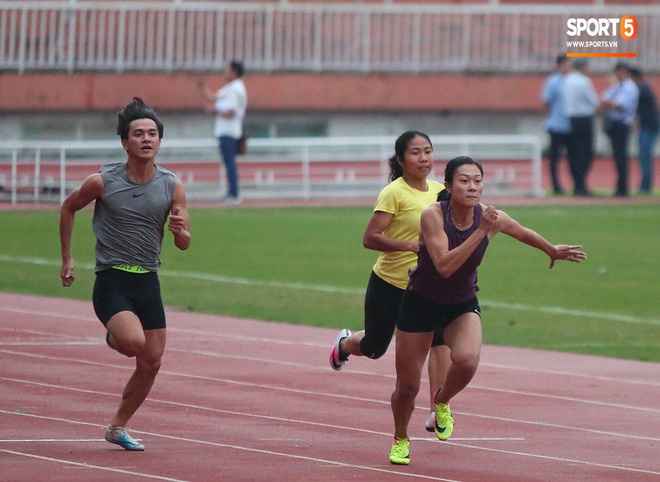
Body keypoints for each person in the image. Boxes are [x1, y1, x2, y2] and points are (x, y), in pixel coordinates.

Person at [388, 156, 586, 465]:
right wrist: (481, 232)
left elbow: (522, 231)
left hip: (461, 303)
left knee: (466, 361)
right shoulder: (432, 216)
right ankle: (401, 437)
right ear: (449, 186)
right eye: (464, 181)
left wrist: (550, 248)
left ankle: (441, 401)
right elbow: (444, 266)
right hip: (420, 303)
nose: (472, 187)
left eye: (477, 181)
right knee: (407, 387)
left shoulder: (491, 217)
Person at [59, 97, 191, 451]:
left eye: (152, 134)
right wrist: (67, 259)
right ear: (125, 142)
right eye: (138, 134)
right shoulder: (102, 181)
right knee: (133, 343)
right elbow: (68, 208)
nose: (146, 139)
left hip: (148, 280)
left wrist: (180, 232)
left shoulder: (171, 185)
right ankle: (115, 336)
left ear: (160, 141)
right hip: (113, 280)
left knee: (152, 361)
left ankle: (118, 427)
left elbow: (184, 243)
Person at [328, 131, 451, 431]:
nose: (423, 158)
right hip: (390, 283)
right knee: (374, 347)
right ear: (400, 159)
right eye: (415, 153)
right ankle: (344, 345)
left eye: (428, 151)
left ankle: (439, 408)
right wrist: (411, 246)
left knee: (440, 340)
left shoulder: (440, 192)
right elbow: (370, 239)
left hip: (426, 286)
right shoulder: (393, 193)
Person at [199, 59, 248, 204]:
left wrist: (215, 110)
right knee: (229, 163)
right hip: (226, 130)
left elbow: (231, 112)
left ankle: (233, 193)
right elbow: (213, 96)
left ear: (234, 72)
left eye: (228, 70)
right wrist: (202, 88)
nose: (225, 73)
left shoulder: (235, 89)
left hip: (229, 131)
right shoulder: (231, 87)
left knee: (230, 163)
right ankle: (231, 192)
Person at [601, 62, 639, 197]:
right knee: (618, 157)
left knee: (621, 157)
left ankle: (623, 187)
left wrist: (610, 103)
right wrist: (610, 103)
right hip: (614, 124)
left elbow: (620, 105)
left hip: (622, 124)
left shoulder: (629, 87)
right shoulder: (617, 86)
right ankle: (620, 186)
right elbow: (605, 100)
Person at [563, 58, 600, 196]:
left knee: (574, 153)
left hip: (572, 120)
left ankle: (577, 184)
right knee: (585, 153)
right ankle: (581, 185)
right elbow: (594, 101)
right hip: (584, 119)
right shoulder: (584, 81)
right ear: (583, 67)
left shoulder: (568, 80)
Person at [541, 54, 572, 195]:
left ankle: (576, 185)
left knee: (573, 158)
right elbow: (546, 101)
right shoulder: (553, 82)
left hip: (571, 125)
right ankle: (556, 186)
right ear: (560, 65)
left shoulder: (573, 81)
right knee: (555, 158)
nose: (569, 67)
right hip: (557, 125)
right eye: (566, 64)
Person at [629, 67, 658, 194]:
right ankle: (645, 185)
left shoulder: (641, 89)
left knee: (644, 156)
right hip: (648, 126)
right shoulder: (645, 88)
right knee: (644, 156)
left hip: (648, 127)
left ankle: (645, 186)